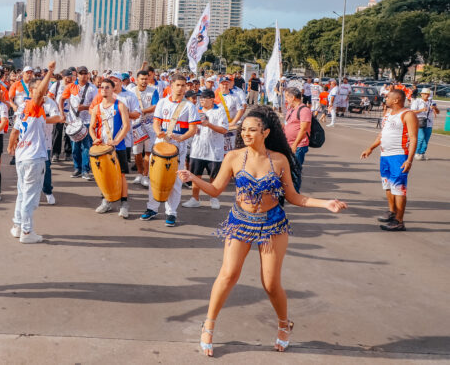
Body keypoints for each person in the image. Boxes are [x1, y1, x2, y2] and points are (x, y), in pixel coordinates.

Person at [178, 106, 347, 356]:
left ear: (265, 132)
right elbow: (215, 190)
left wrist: (326, 203)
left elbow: (293, 197)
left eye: (252, 130)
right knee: (228, 275)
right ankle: (209, 325)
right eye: (244, 129)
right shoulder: (233, 157)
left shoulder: (278, 160)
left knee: (270, 283)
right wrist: (193, 178)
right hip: (240, 222)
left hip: (273, 225)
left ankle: (283, 324)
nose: (246, 133)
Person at [141, 74, 200, 226]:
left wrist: (182, 138)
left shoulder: (189, 106)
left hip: (178, 146)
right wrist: (158, 131)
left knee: (175, 181)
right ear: (171, 85)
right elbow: (156, 122)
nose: (180, 88)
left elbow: (193, 129)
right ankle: (152, 208)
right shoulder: (162, 102)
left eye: (183, 85)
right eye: (178, 85)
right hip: (162, 143)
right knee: (155, 177)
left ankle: (171, 212)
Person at [8, 61, 56, 244]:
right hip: (33, 158)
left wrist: (11, 147)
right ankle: (27, 232)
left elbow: (14, 131)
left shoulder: (22, 107)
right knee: (30, 196)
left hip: (22, 156)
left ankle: (18, 225)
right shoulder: (33, 105)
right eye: (41, 90)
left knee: (22, 193)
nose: (44, 92)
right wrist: (50, 72)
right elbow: (39, 93)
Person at [361, 88, 419, 231]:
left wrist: (409, 160)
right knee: (387, 185)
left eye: (387, 97)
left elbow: (413, 139)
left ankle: (399, 221)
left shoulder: (408, 115)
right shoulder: (388, 113)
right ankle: (392, 212)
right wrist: (370, 148)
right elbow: (382, 134)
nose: (384, 99)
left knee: (398, 188)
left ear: (396, 100)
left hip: (399, 156)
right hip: (385, 155)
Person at [89, 77, 131, 218]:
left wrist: (117, 140)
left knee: (122, 175)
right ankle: (106, 201)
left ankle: (124, 204)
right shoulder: (96, 108)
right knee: (104, 175)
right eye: (102, 87)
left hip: (118, 148)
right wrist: (95, 139)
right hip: (103, 148)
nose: (104, 90)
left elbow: (126, 125)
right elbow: (91, 127)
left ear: (113, 89)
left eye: (107, 87)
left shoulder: (120, 105)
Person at [182, 89, 228, 209]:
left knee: (213, 176)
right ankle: (195, 199)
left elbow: (224, 130)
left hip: (214, 150)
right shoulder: (196, 110)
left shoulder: (220, 110)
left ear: (212, 99)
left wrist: (209, 124)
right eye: (200, 98)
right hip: (197, 149)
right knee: (196, 175)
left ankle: (214, 198)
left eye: (204, 98)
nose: (201, 100)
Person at [58, 65, 97, 180]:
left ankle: (85, 170)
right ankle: (77, 168)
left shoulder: (93, 88)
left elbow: (96, 104)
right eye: (81, 73)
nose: (83, 75)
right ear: (77, 75)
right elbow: (61, 99)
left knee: (86, 146)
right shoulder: (71, 86)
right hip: (73, 121)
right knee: (75, 146)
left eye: (85, 73)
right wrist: (62, 113)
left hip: (87, 121)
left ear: (88, 74)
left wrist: (85, 107)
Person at [129, 70, 159, 190]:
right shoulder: (131, 92)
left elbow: (155, 106)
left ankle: (146, 175)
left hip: (149, 125)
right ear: (137, 80)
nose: (144, 81)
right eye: (142, 79)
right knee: (136, 152)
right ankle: (139, 173)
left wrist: (142, 112)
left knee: (148, 152)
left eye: (146, 78)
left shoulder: (153, 91)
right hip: (136, 125)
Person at [283, 87, 312, 182]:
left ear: (294, 97)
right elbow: (288, 124)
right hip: (288, 144)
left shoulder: (304, 110)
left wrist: (295, 145)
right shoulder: (291, 110)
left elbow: (304, 129)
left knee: (295, 172)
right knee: (287, 171)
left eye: (287, 97)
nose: (286, 99)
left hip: (298, 146)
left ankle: (295, 193)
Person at [411, 88, 440, 160]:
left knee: (426, 139)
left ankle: (422, 153)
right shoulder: (417, 101)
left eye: (428, 94)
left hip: (429, 123)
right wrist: (421, 110)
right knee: (421, 138)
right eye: (424, 94)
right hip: (419, 122)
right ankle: (417, 153)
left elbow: (438, 112)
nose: (426, 95)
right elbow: (412, 111)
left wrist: (435, 108)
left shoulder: (432, 102)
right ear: (421, 94)